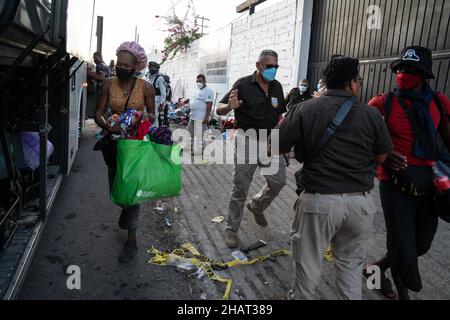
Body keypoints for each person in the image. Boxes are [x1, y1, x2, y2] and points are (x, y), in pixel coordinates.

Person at [278, 55, 393, 300]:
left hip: (318, 203)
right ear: (351, 83)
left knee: (307, 266)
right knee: (350, 267)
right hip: (359, 205)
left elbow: (275, 147)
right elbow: (383, 158)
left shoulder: (304, 108)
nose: (359, 86)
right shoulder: (371, 114)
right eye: (359, 81)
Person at [366, 46, 450, 300]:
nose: (403, 74)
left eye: (410, 69)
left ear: (423, 74)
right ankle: (404, 295)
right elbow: (363, 137)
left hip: (430, 181)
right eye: (400, 68)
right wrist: (383, 154)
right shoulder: (383, 102)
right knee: (402, 242)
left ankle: (375, 269)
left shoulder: (439, 102)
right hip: (395, 181)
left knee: (421, 242)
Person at [216, 49, 287, 249]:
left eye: (276, 66)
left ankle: (257, 205)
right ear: (258, 65)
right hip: (246, 140)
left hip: (270, 141)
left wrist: (278, 139)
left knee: (278, 181)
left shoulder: (277, 87)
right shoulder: (243, 85)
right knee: (240, 188)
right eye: (269, 66)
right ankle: (231, 230)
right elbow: (219, 108)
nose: (273, 70)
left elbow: (280, 116)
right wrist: (230, 107)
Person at [94, 41, 155, 262]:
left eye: (127, 65)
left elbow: (152, 116)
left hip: (134, 146)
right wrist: (107, 126)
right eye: (119, 63)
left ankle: (132, 240)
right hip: (112, 144)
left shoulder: (146, 87)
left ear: (136, 66)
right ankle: (124, 207)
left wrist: (142, 118)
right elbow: (98, 113)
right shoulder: (108, 84)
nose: (122, 67)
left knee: (132, 193)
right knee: (115, 193)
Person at [187, 74, 214, 155]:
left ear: (205, 81)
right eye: (197, 81)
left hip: (201, 117)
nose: (198, 82)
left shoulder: (208, 91)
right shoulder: (198, 90)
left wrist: (206, 117)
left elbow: (209, 104)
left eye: (200, 81)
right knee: (189, 132)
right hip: (193, 116)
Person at [147, 61, 168, 126]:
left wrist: (161, 105)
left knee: (154, 119)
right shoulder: (148, 78)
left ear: (157, 69)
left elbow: (163, 93)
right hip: (149, 102)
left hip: (156, 102)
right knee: (148, 118)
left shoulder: (160, 78)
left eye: (153, 67)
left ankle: (154, 133)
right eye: (150, 67)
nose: (151, 69)